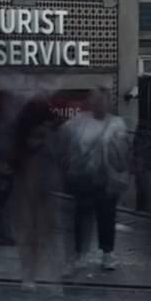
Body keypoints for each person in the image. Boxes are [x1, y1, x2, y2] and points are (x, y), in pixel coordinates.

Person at [62, 90, 129, 273]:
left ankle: (107, 252)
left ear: (107, 102)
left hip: (106, 177)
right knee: (82, 214)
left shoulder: (116, 123)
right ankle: (80, 253)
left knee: (106, 215)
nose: (98, 103)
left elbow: (122, 151)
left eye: (101, 99)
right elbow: (64, 133)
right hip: (84, 176)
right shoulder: (80, 120)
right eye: (95, 99)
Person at [9, 96, 59, 289]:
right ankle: (29, 273)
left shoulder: (35, 122)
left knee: (31, 231)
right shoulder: (36, 122)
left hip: (35, 184)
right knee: (32, 231)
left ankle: (29, 273)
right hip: (31, 183)